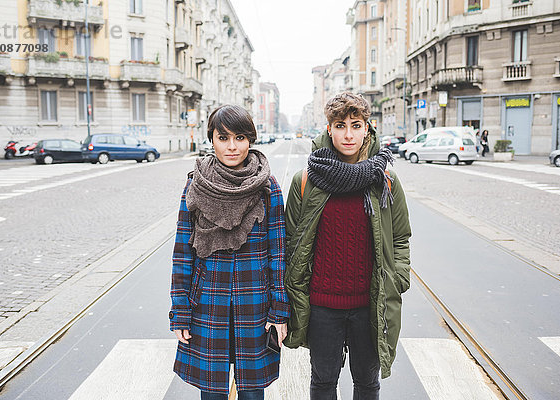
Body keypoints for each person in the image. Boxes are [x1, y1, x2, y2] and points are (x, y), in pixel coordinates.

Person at [284, 92, 412, 399]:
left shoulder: (386, 180)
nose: (349, 134)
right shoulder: (306, 181)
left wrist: (398, 278)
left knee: (367, 384)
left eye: (356, 125)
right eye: (340, 125)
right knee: (323, 382)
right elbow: (290, 241)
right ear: (329, 129)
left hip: (370, 304)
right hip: (322, 305)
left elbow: (399, 238)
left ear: (368, 128)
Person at [169, 104, 290, 399]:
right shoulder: (196, 184)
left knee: (252, 393)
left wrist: (280, 311)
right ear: (211, 139)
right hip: (207, 304)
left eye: (239, 137)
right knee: (212, 393)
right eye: (223, 138)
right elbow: (183, 252)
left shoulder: (267, 186)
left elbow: (278, 253)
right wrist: (180, 311)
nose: (232, 147)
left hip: (256, 305)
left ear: (250, 139)